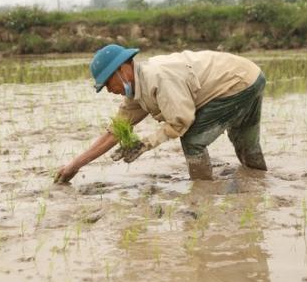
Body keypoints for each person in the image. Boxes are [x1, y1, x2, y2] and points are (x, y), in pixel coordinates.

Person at [54, 44, 267, 183]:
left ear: (124, 69)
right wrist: (74, 165)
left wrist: (145, 144)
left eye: (108, 82)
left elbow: (180, 122)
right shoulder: (137, 92)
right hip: (251, 75)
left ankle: (202, 193)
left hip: (236, 82)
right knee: (246, 141)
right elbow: (114, 133)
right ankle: (260, 183)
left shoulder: (158, 78)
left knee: (193, 140)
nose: (109, 90)